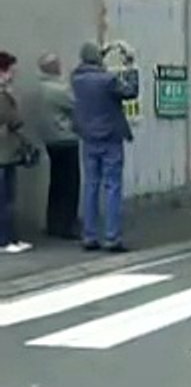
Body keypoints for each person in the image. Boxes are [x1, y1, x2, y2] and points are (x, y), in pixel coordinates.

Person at [71, 41, 138, 252]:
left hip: (89, 137)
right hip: (110, 137)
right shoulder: (107, 80)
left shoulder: (76, 80)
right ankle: (112, 237)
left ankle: (89, 235)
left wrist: (104, 51)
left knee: (91, 185)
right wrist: (130, 65)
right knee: (112, 186)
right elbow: (130, 92)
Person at [38, 53, 80, 239]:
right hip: (65, 137)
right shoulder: (58, 89)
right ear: (54, 67)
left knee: (56, 183)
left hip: (49, 139)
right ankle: (67, 225)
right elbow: (76, 105)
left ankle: (53, 222)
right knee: (70, 184)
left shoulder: (39, 88)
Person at [0, 51, 32, 253]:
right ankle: (5, 240)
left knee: (6, 198)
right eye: (11, 70)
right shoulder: (3, 96)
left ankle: (9, 238)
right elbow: (14, 119)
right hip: (4, 153)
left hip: (6, 151)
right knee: (6, 198)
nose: (13, 74)